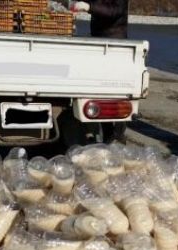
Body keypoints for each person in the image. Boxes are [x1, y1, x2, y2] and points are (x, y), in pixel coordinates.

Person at [71, 0, 129, 144]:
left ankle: (118, 135)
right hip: (100, 41)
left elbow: (114, 11)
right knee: (102, 91)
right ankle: (108, 133)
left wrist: (88, 7)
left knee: (117, 92)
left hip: (115, 44)